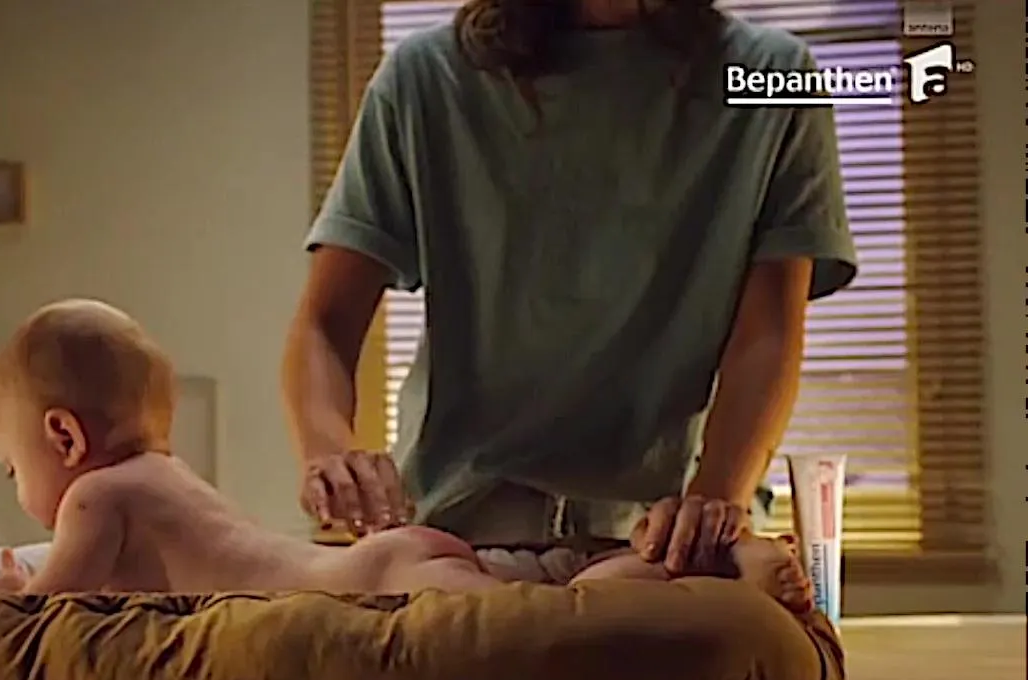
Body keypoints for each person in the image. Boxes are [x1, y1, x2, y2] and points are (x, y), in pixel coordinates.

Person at [282, 0, 856, 586]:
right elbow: (326, 323)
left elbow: (768, 334)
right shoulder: (426, 77)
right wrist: (329, 453)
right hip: (458, 534)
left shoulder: (773, 78)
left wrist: (716, 498)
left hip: (661, 545)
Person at [0, 299, 810, 612]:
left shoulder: (94, 499)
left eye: (13, 468)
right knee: (536, 603)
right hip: (381, 563)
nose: (21, 488)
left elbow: (51, 609)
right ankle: (694, 570)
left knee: (553, 623)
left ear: (65, 438)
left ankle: (708, 572)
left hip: (370, 590)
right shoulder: (165, 480)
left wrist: (2, 595)